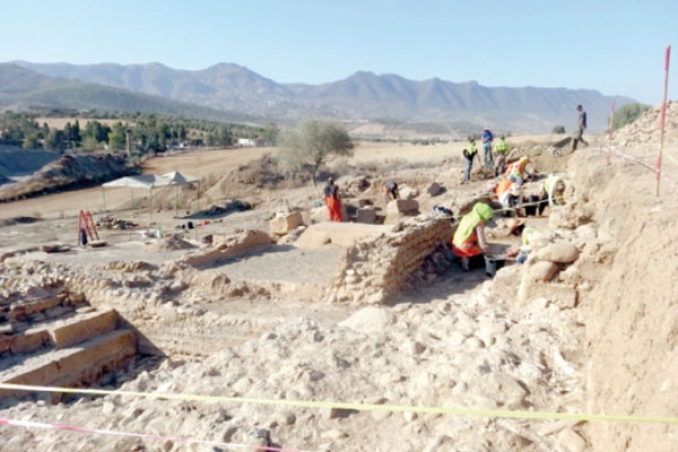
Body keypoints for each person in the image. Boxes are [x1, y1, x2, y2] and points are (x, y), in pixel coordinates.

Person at [452, 202, 495, 271]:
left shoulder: (468, 216)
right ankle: (469, 264)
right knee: (481, 258)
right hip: (464, 246)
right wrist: (486, 252)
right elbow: (481, 240)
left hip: (456, 243)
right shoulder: (479, 222)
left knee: (474, 244)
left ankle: (462, 260)